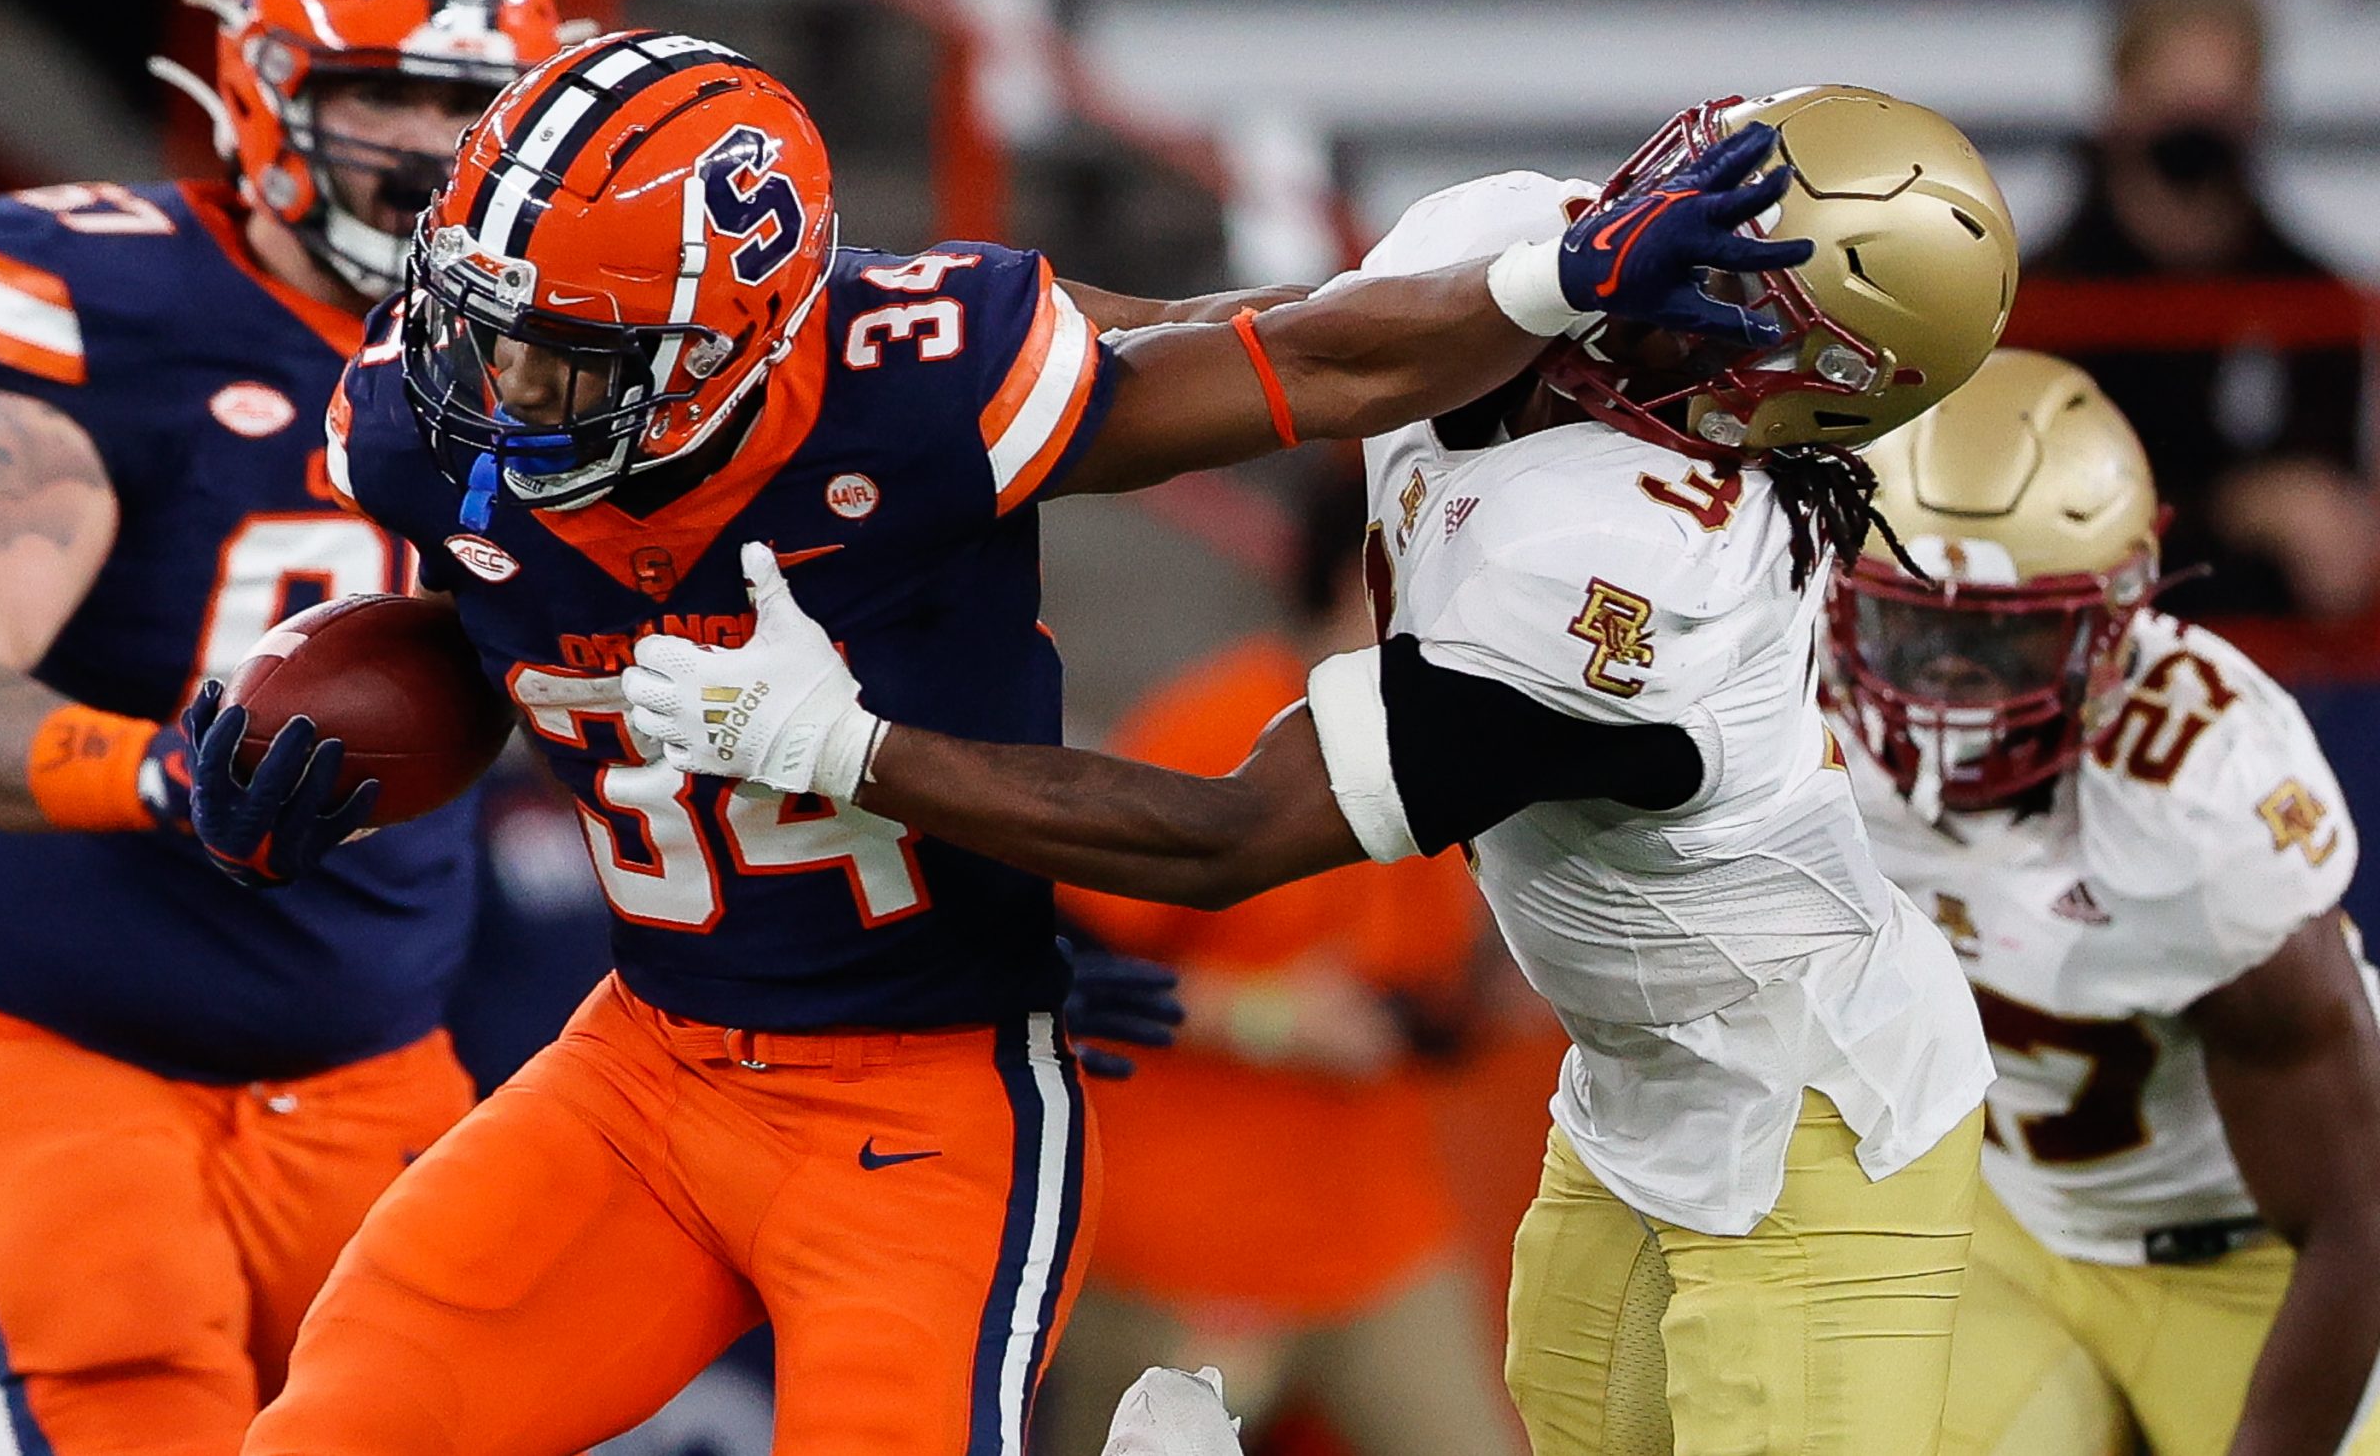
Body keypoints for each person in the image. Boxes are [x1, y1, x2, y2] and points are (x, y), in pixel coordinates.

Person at [227, 31, 1805, 1456]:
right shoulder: (430, 432)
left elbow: (1295, 360)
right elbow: (494, 624)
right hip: (641, 1068)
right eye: (481, 322)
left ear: (725, 346)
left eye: (560, 349)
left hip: (918, 1108)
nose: (495, 387)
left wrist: (1547, 288)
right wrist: (310, 758)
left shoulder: (914, 390)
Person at [619, 84, 2021, 1454]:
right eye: (1689, 201)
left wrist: (838, 743)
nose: (1653, 272)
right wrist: (856, 326)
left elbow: (1223, 835)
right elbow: (1207, 344)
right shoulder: (1522, 233)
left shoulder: (1655, 574)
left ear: (1787, 392)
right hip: (1639, 1096)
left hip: (1816, 1124)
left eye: (1718, 286)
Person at [0, 0, 560, 1456]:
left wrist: (951, 944)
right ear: (263, 83)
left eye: (472, 106)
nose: (430, 150)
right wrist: (157, 771)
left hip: (378, 1054)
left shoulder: (559, 371)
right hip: (66, 1048)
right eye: (384, 91)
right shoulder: (116, 308)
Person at [1826, 349, 2380, 1456]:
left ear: (2120, 618)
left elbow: (2353, 1221)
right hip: (2001, 1228)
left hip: (2253, 1260)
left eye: (2004, 635)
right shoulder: (1785, 700)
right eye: (1911, 627)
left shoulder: (2199, 807)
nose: (1948, 692)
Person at [1040, 469, 1523, 1456]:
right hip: (1190, 1251)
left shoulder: (1450, 749)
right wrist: (1260, 1017)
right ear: (1369, 576)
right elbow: (1059, 972)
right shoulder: (1224, 720)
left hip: (1377, 1242)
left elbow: (1416, 1004)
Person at [2030, 0, 2378, 620]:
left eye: (2221, 99)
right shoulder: (2039, 304)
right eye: (2174, 96)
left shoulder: (2313, 302)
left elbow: (2330, 524)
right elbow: (2035, 514)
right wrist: (2243, 506)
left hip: (2265, 661)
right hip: (2085, 641)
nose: (2197, 121)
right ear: (2121, 101)